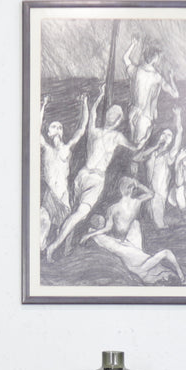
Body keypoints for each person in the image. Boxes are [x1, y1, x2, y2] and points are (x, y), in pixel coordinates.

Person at [43, 84, 137, 261]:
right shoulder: (116, 137)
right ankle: (54, 246)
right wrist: (134, 124)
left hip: (82, 175)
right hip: (95, 180)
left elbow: (91, 116)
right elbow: (135, 147)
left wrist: (97, 97)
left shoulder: (94, 131)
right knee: (77, 215)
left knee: (71, 214)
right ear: (118, 121)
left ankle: (61, 247)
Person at [79, 214, 186, 285]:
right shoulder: (166, 277)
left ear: (164, 279)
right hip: (136, 249)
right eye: (170, 273)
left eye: (168, 274)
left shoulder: (147, 274)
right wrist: (180, 274)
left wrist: (179, 271)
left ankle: (92, 231)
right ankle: (104, 227)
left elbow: (166, 252)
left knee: (103, 239)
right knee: (134, 222)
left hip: (127, 252)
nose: (168, 271)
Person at [39, 93, 87, 247]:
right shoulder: (46, 148)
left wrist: (85, 103)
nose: (58, 129)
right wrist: (43, 106)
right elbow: (35, 129)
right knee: (43, 222)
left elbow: (82, 128)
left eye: (60, 127)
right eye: (54, 126)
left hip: (63, 196)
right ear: (49, 133)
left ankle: (62, 253)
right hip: (50, 196)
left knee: (64, 229)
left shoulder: (67, 148)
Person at [122, 35, 179, 148]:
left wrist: (133, 44)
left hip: (132, 113)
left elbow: (125, 58)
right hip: (145, 117)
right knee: (138, 150)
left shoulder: (136, 71)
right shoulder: (157, 77)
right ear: (156, 59)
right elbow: (175, 94)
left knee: (131, 149)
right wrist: (171, 78)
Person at [132, 105, 182, 229]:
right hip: (146, 191)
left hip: (159, 194)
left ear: (171, 140)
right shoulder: (152, 152)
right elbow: (136, 158)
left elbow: (179, 132)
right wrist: (154, 147)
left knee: (158, 224)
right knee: (145, 221)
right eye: (164, 134)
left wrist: (178, 116)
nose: (165, 137)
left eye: (169, 135)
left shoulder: (169, 155)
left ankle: (162, 228)